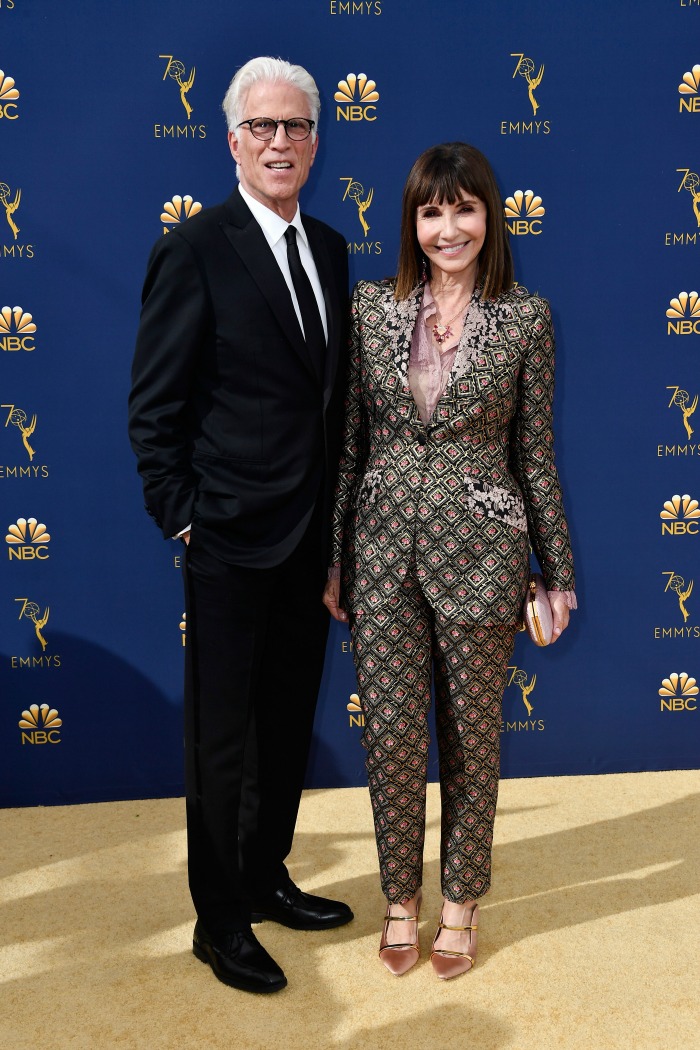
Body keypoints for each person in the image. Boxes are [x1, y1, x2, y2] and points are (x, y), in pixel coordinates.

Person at [323, 142, 576, 979]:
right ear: (413, 222)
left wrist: (558, 571)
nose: (448, 227)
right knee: (393, 741)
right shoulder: (370, 310)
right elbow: (350, 450)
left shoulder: (527, 318)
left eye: (464, 209)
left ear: (488, 217)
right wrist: (336, 561)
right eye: (432, 212)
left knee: (471, 741)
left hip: (483, 556)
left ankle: (461, 902)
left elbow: (535, 455)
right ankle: (401, 898)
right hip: (382, 549)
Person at [129, 56, 352, 995]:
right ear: (231, 142)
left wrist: (339, 534)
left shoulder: (334, 250)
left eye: (295, 127)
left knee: (284, 724)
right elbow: (154, 409)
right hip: (224, 540)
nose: (279, 142)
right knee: (220, 741)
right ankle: (218, 921)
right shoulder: (195, 248)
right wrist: (185, 521)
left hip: (311, 543)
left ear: (316, 141)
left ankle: (265, 878)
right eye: (261, 127)